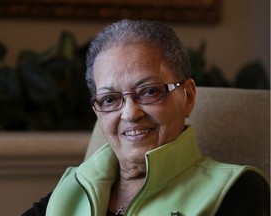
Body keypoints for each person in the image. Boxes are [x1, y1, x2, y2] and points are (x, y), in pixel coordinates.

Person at [23, 19, 270, 216]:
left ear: (189, 96)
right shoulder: (74, 187)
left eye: (150, 92)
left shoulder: (236, 189)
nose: (130, 113)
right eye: (110, 99)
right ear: (97, 109)